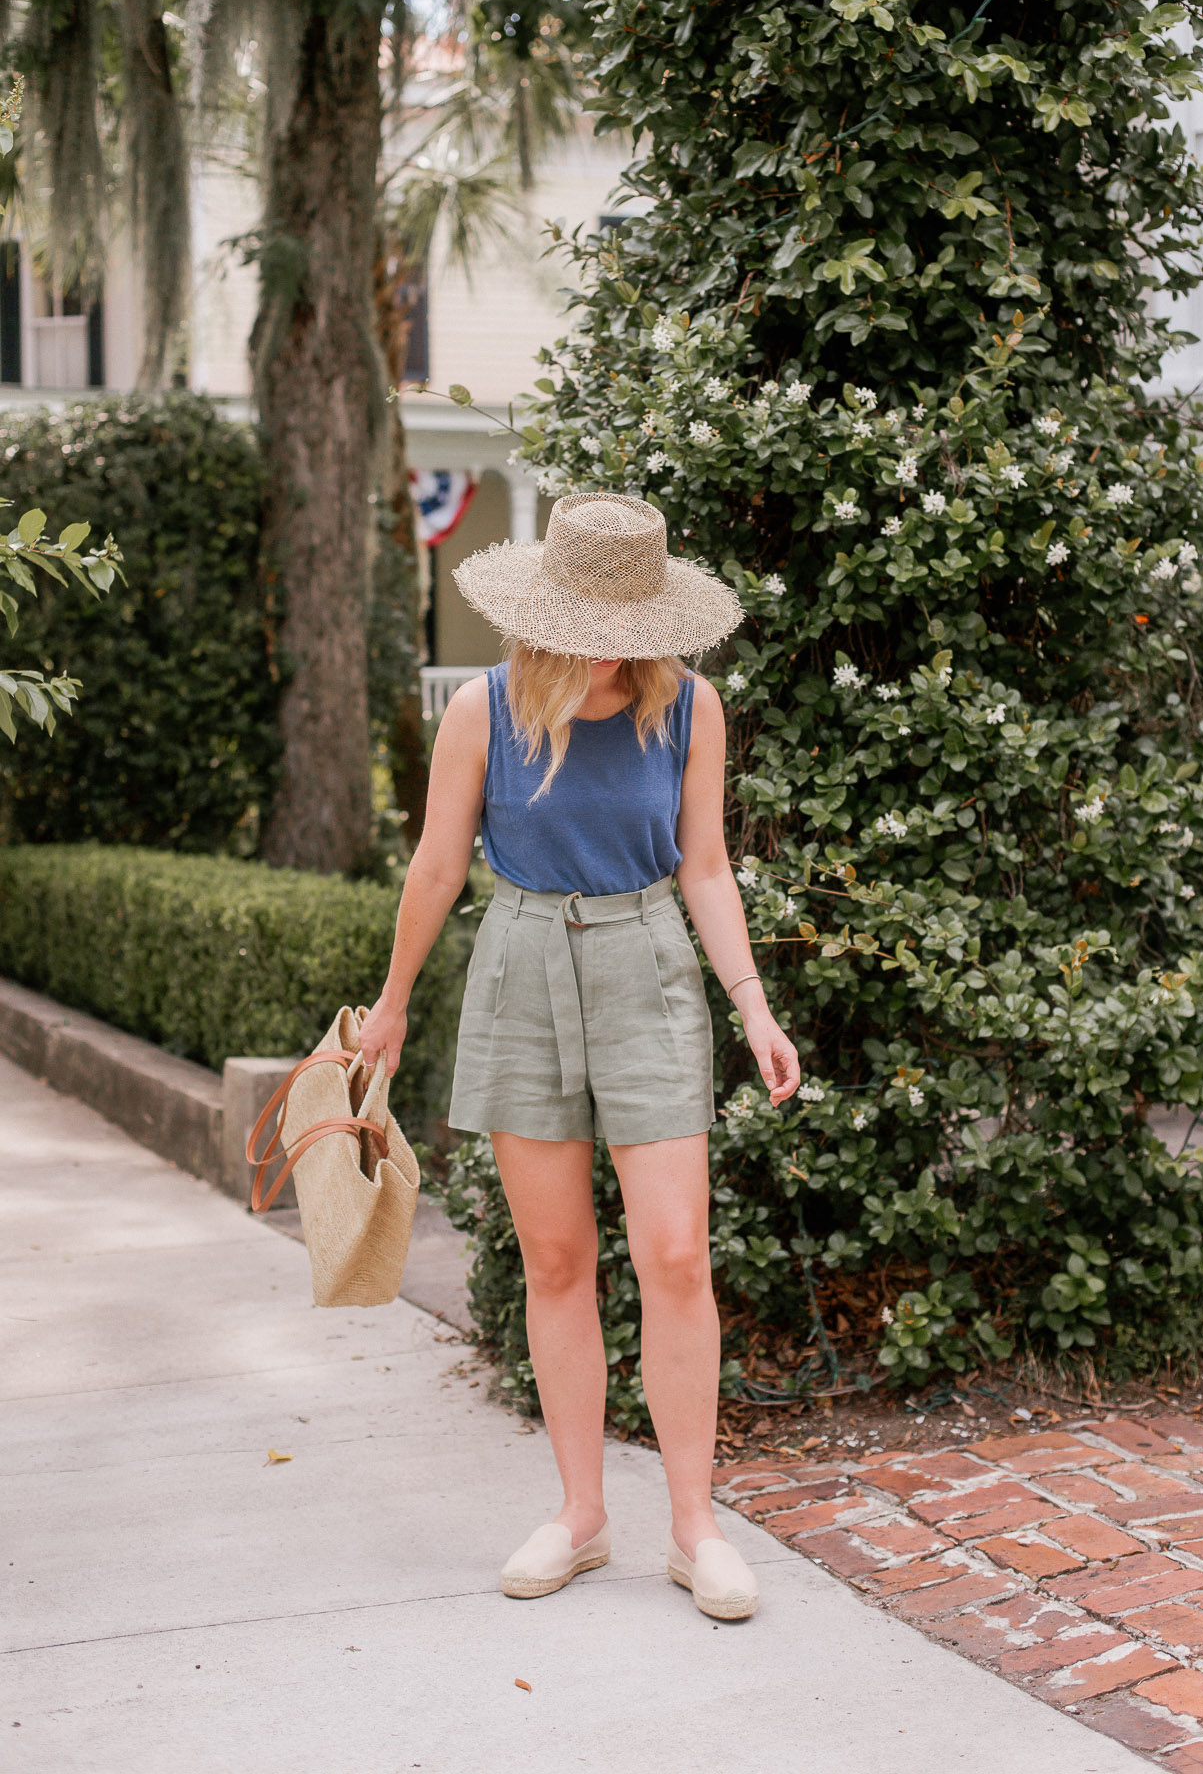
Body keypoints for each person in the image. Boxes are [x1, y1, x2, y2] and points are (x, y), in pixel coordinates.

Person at [359, 491, 801, 1621]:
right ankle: (582, 1514)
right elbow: (434, 870)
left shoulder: (688, 708)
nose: (614, 642)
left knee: (675, 1254)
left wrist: (753, 1005)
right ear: (546, 608)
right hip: (517, 965)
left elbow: (706, 867)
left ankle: (694, 1529)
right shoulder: (483, 710)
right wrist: (393, 1004)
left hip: (647, 963)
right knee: (555, 1261)